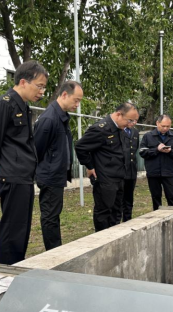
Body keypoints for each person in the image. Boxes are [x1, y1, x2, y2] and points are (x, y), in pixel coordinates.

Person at [0, 60, 49, 264]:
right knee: (12, 229)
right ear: (23, 82)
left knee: (21, 228)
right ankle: (8, 269)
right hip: (12, 175)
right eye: (39, 86)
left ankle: (17, 264)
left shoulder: (23, 106)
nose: (42, 92)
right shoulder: (3, 104)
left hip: (24, 175)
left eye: (44, 87)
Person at [34, 81, 83, 250]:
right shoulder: (49, 118)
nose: (77, 105)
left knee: (54, 215)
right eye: (76, 100)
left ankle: (56, 249)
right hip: (50, 175)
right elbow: (36, 150)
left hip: (55, 174)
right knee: (50, 217)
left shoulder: (61, 116)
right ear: (64, 95)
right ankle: (53, 253)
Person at [75, 102, 138, 232]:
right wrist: (90, 166)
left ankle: (114, 236)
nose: (131, 124)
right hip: (105, 178)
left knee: (117, 211)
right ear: (119, 115)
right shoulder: (100, 129)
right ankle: (102, 238)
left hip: (120, 177)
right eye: (130, 120)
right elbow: (80, 147)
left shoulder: (119, 128)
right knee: (104, 211)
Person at [139, 114, 173, 210]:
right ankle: (157, 214)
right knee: (156, 197)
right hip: (153, 172)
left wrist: (171, 151)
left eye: (168, 126)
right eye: (163, 126)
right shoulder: (148, 136)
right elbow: (142, 152)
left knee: (172, 196)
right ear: (157, 123)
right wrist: (156, 150)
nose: (165, 128)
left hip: (169, 172)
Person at [114, 108, 140, 223]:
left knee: (129, 198)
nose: (134, 123)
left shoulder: (135, 132)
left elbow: (134, 150)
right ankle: (117, 221)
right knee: (119, 199)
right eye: (132, 120)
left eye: (136, 121)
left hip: (131, 170)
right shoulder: (118, 131)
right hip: (121, 170)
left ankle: (128, 219)